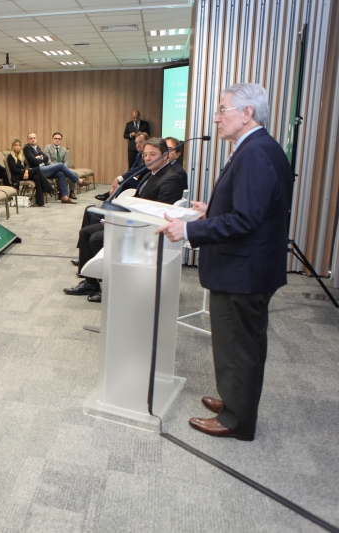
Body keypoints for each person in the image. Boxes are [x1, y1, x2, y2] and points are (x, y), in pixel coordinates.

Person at [156, 83, 294, 441]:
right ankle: (236, 401)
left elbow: (246, 221)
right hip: (247, 267)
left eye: (222, 110)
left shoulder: (255, 153)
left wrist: (188, 232)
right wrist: (211, 210)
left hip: (244, 271)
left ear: (247, 113)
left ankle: (237, 420)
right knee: (237, 343)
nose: (216, 118)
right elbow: (252, 210)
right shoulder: (259, 147)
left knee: (238, 346)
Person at [66, 137, 184, 302]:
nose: (148, 158)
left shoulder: (171, 178)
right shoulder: (151, 174)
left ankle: (110, 285)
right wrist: (115, 216)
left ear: (165, 156)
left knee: (96, 239)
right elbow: (135, 202)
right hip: (132, 222)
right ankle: (90, 282)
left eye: (152, 154)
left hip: (144, 230)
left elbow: (158, 214)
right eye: (145, 155)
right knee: (86, 232)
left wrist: (120, 221)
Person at [23, 133, 78, 204]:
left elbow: (46, 158)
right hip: (37, 170)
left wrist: (40, 158)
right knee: (60, 165)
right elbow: (34, 161)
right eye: (31, 138)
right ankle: (78, 180)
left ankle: (64, 196)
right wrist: (41, 158)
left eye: (34, 138)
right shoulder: (27, 148)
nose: (33, 140)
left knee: (61, 174)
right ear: (27, 140)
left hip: (44, 168)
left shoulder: (37, 147)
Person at [96, 132, 150, 201]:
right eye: (136, 143)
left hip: (146, 186)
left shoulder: (149, 157)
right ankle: (113, 197)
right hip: (140, 182)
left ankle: (111, 196)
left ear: (147, 142)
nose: (137, 145)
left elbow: (138, 170)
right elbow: (132, 170)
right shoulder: (139, 155)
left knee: (124, 179)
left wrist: (120, 178)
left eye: (140, 142)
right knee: (125, 180)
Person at [6, 139, 54, 206]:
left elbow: (27, 165)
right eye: (15, 145)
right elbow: (14, 170)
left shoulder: (22, 155)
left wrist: (26, 171)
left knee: (37, 177)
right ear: (12, 146)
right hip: (17, 176)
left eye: (19, 145)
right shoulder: (10, 156)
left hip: (24, 173)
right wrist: (25, 171)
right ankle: (49, 188)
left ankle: (40, 202)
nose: (17, 147)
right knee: (37, 169)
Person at [43, 132, 75, 199]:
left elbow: (66, 161)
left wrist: (64, 167)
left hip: (62, 168)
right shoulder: (47, 147)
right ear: (52, 139)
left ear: (61, 140)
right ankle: (61, 192)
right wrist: (56, 167)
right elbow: (47, 161)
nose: (57, 140)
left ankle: (72, 192)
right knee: (60, 172)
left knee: (73, 173)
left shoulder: (64, 149)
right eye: (56, 138)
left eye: (59, 139)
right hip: (51, 168)